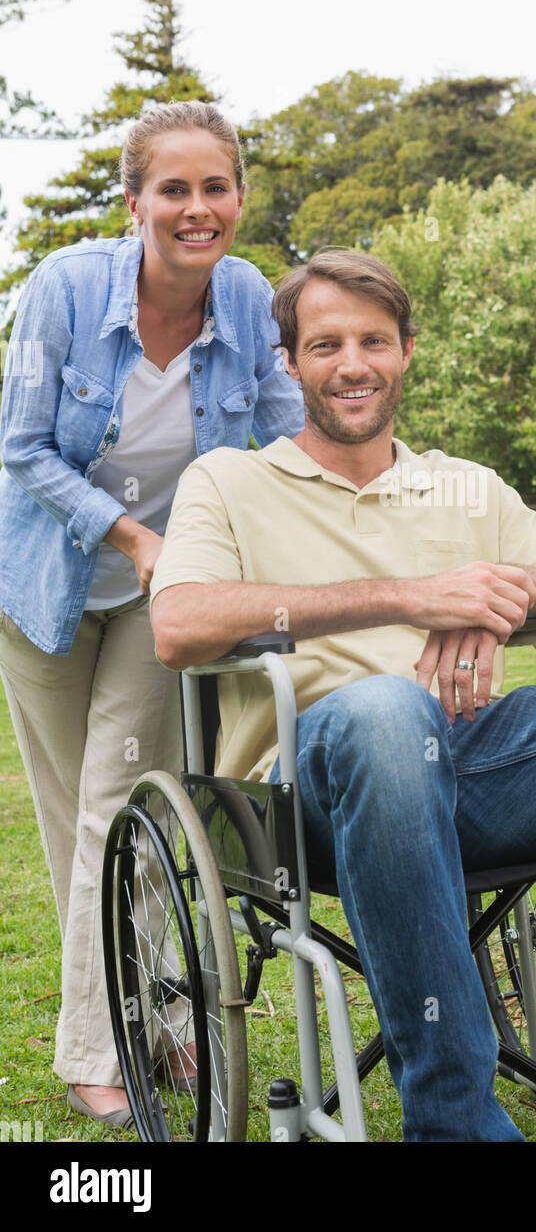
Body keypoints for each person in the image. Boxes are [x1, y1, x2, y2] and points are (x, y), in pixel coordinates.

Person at [149, 247, 536, 1143]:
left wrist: (492, 591)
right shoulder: (230, 480)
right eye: (325, 345)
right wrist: (409, 597)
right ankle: (455, 1126)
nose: (351, 365)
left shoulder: (464, 485)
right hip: (308, 795)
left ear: (405, 351)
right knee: (386, 710)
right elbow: (178, 626)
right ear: (288, 362)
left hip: (478, 766)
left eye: (373, 341)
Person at [0, 100, 304, 1129]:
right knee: (72, 815)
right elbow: (23, 447)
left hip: (157, 590)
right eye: (172, 189)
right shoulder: (66, 290)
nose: (196, 208)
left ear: (238, 198)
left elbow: (286, 434)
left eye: (214, 187)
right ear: (134, 202)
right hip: (40, 582)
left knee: (117, 799)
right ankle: (144, 1013)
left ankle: (103, 1047)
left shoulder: (251, 299)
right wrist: (127, 532)